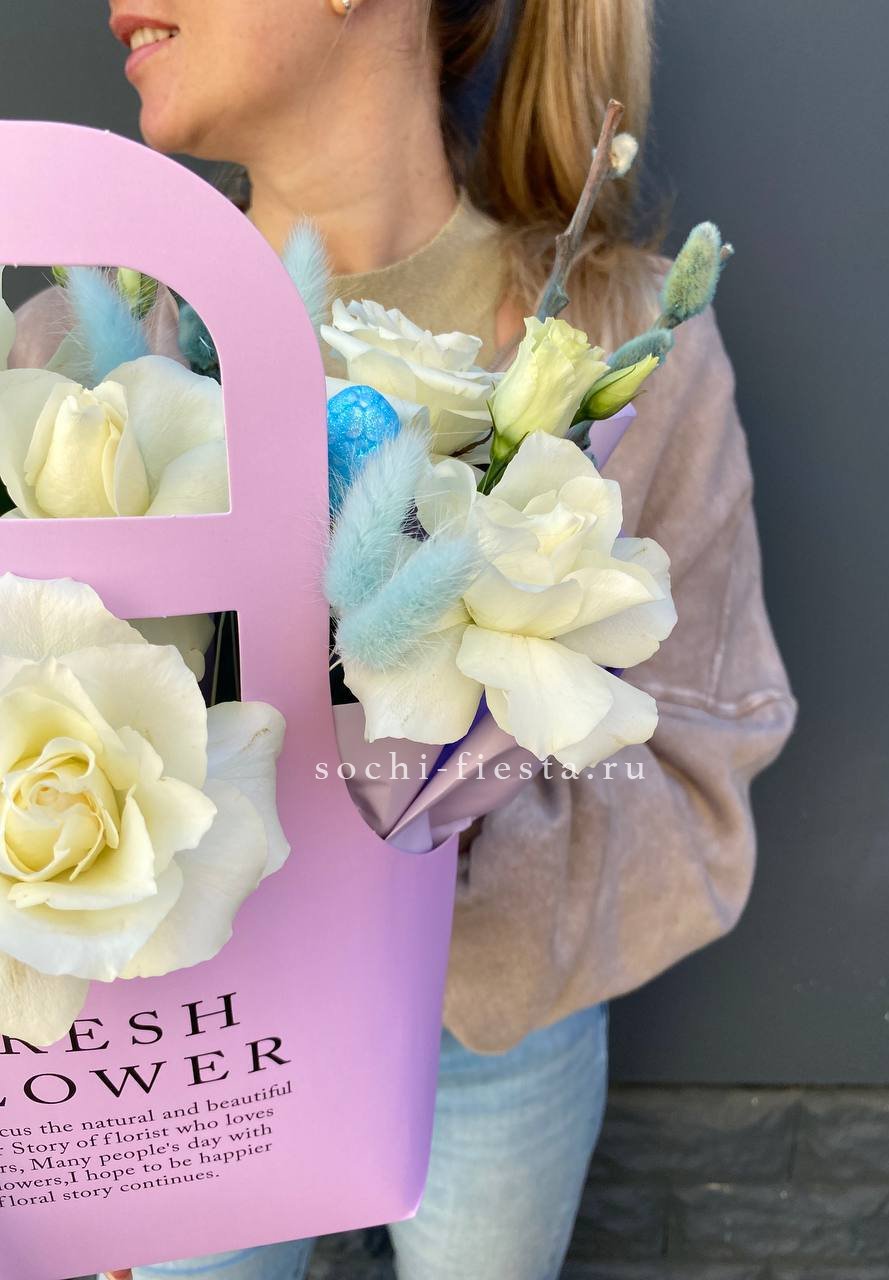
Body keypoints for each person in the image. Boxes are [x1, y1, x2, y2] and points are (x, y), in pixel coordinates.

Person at [75, 0, 798, 1276]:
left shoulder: (623, 354)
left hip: (497, 1029)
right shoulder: (91, 369)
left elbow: (701, 745)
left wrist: (440, 819)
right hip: (187, 1051)